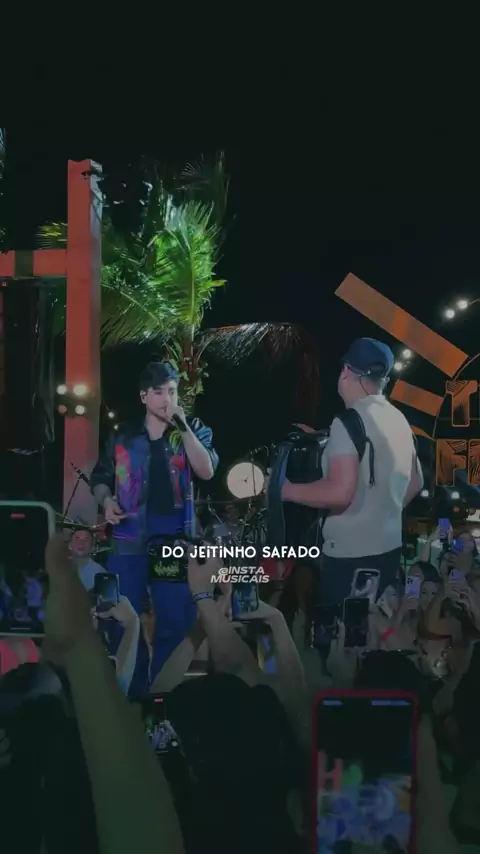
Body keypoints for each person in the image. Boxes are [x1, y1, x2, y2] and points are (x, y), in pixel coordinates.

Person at [90, 362, 218, 693]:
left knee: (175, 620)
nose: (166, 399)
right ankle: (131, 695)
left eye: (172, 392)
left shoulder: (193, 429)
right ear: (144, 396)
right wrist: (107, 501)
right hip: (129, 533)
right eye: (159, 392)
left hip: (174, 535)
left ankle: (165, 696)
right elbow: (101, 476)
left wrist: (184, 426)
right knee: (123, 617)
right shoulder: (123, 434)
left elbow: (206, 470)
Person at [280, 338, 423, 605]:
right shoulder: (400, 420)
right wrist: (378, 512)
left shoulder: (348, 421)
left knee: (341, 629)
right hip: (389, 551)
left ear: (346, 371)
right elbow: (415, 482)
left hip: (350, 560)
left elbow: (339, 493)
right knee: (374, 626)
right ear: (384, 380)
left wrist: (285, 490)